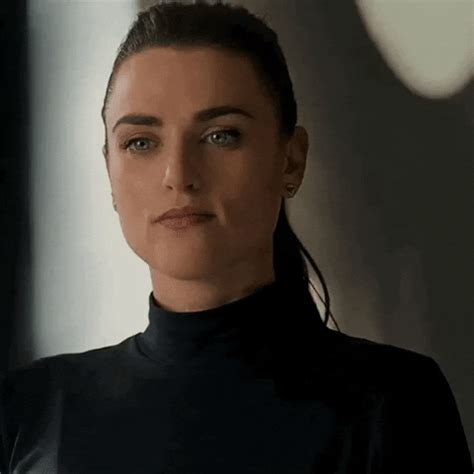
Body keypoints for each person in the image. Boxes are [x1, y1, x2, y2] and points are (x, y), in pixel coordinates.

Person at [0, 1, 471, 472]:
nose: (178, 175)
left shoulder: (393, 402)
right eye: (140, 142)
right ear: (109, 171)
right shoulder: (34, 410)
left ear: (291, 160)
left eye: (221, 135)